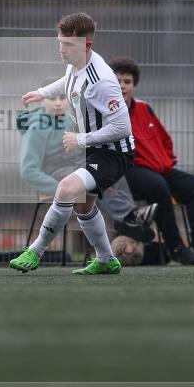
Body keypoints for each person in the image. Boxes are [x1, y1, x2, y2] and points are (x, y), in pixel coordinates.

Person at [11, 12, 135, 275]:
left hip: (112, 153)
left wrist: (81, 139)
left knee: (67, 189)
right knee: (82, 205)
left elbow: (123, 127)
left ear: (86, 45)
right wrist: (42, 93)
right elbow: (68, 80)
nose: (61, 49)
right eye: (60, 42)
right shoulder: (76, 63)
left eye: (68, 45)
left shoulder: (102, 81)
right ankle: (106, 260)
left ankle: (34, 252)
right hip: (91, 148)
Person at [16, 79, 156, 268]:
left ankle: (128, 217)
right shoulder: (36, 129)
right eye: (51, 98)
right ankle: (128, 218)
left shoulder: (72, 120)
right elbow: (28, 170)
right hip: (56, 175)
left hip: (75, 167)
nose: (57, 102)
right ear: (42, 102)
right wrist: (60, 189)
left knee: (105, 171)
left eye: (61, 97)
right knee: (89, 178)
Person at [109, 57, 194, 264]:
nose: (122, 86)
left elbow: (165, 139)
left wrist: (165, 160)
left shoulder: (144, 109)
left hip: (159, 169)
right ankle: (176, 248)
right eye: (117, 81)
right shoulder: (105, 111)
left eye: (127, 82)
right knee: (159, 186)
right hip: (127, 172)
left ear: (134, 85)